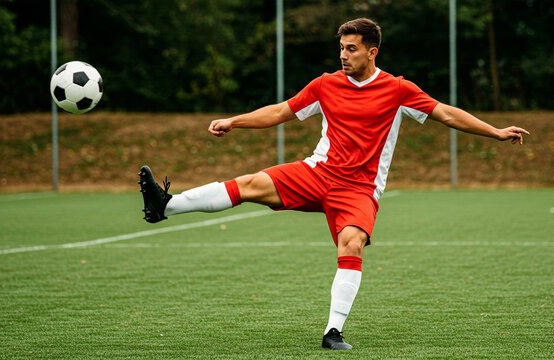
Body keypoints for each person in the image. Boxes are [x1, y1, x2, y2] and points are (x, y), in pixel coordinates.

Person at [138, 18, 529, 350]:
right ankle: (164, 206)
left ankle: (332, 331)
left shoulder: (397, 90)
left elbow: (447, 114)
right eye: (341, 48)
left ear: (372, 52)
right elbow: (281, 110)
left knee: (352, 242)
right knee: (250, 183)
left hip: (359, 188)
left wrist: (495, 132)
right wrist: (234, 120)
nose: (343, 55)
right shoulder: (326, 84)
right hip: (317, 172)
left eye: (352, 49)